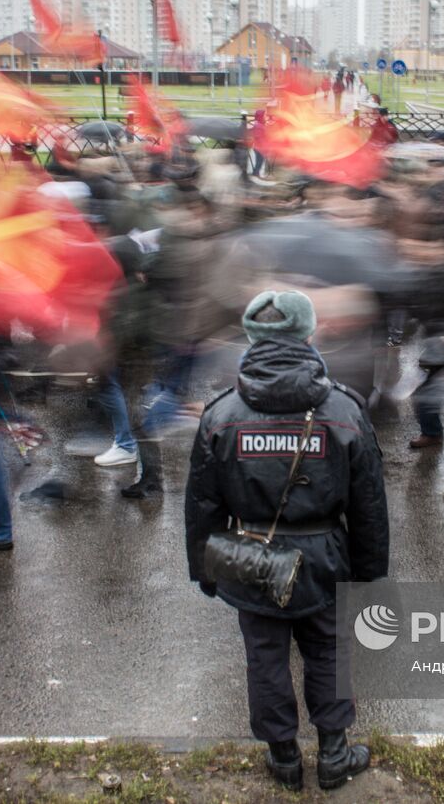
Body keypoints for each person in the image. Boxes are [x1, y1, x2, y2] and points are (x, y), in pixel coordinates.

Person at [185, 290, 388, 793]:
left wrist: (206, 570)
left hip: (252, 558)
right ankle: (335, 755)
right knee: (328, 653)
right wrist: (368, 570)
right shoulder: (343, 409)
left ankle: (283, 759)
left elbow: (202, 505)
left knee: (265, 658)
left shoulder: (221, 414)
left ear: (252, 336)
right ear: (309, 334)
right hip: (323, 558)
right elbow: (368, 503)